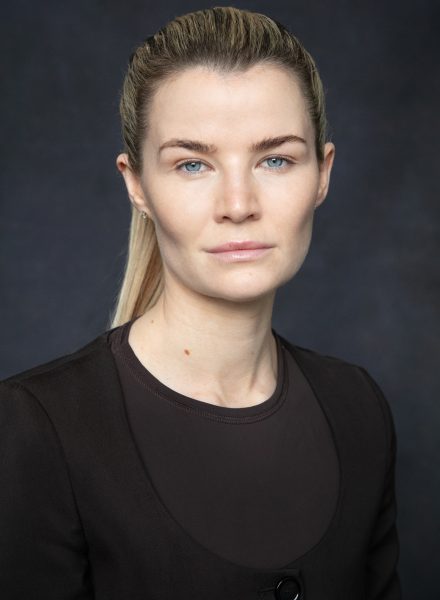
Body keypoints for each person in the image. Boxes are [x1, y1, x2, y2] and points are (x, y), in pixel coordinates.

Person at [0, 6, 401, 599]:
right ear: (136, 184)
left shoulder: (358, 408)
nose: (238, 204)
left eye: (275, 159)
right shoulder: (36, 427)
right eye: (192, 164)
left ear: (323, 173)